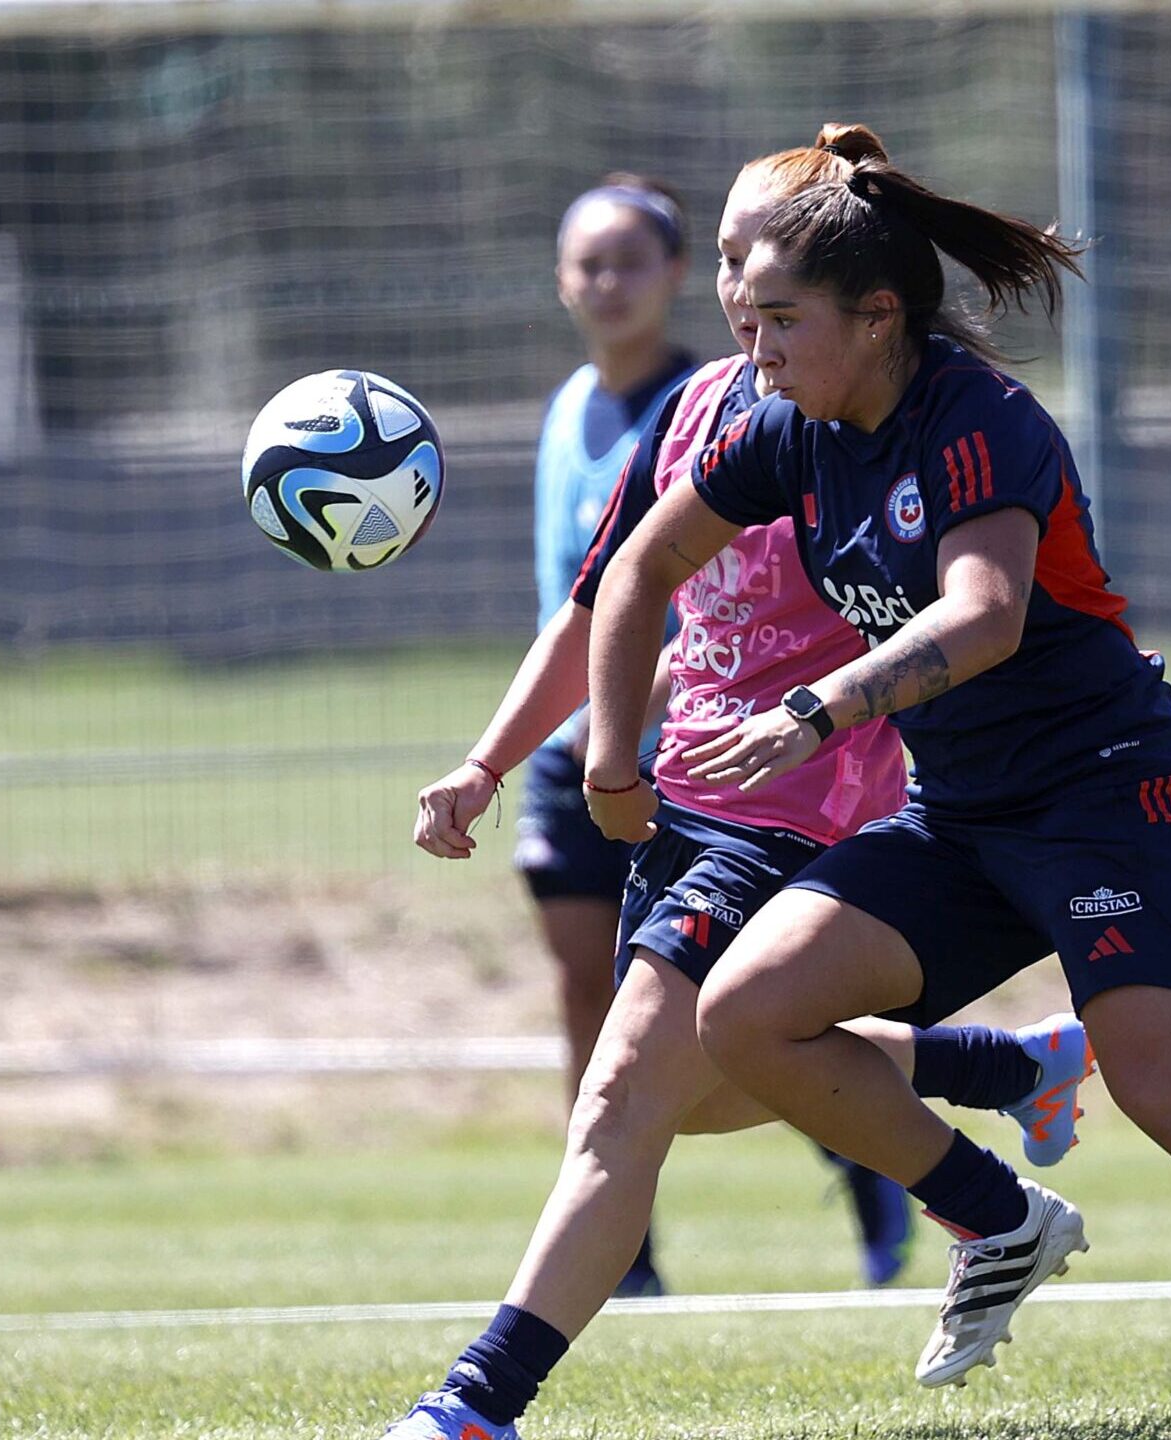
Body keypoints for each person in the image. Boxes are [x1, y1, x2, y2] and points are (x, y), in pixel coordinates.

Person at [580, 126, 1171, 1434]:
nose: (755, 346)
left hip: (1104, 790)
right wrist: (612, 762)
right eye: (748, 315)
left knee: (1166, 1084)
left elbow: (986, 616)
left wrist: (815, 709)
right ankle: (992, 1211)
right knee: (745, 1014)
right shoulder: (792, 429)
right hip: (959, 813)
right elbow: (636, 569)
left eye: (782, 317)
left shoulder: (976, 415)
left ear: (878, 313)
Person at [384, 133, 1095, 1440]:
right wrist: (496, 759)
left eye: (750, 262)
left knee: (617, 1109)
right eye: (720, 262)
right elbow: (609, 601)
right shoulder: (703, 407)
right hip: (683, 804)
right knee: (701, 1093)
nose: (730, 287)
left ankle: (472, 1407)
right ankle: (996, 1088)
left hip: (803, 809)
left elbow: (967, 609)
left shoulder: (855, 409)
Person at [515, 181, 698, 1287]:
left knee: (712, 1003)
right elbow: (567, 603)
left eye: (629, 260)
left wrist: (648, 708)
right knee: (587, 986)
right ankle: (621, 1244)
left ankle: (868, 1154)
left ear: (676, 275)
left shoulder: (703, 405)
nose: (605, 281)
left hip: (680, 745)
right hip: (567, 753)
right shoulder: (562, 406)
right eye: (586, 262)